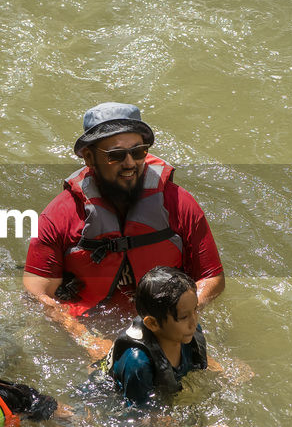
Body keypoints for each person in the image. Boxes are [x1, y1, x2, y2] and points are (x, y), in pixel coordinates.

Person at [23, 103, 224, 358]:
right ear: (88, 157)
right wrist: (87, 340)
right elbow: (36, 294)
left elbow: (212, 277)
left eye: (138, 152)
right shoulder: (58, 216)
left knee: (229, 375)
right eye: (116, 155)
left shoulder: (180, 204)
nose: (130, 163)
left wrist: (181, 316)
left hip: (167, 322)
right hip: (94, 325)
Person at [110, 267, 207, 408]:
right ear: (153, 323)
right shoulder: (138, 364)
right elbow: (142, 418)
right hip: (108, 399)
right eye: (184, 317)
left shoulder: (188, 333)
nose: (194, 322)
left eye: (195, 310)